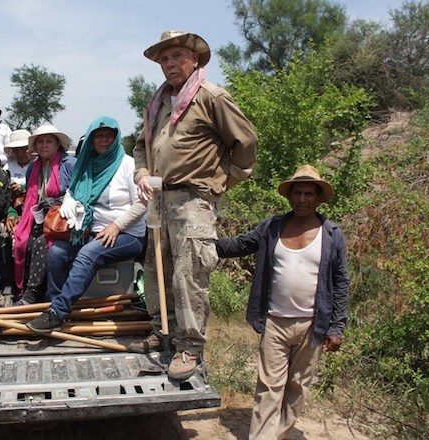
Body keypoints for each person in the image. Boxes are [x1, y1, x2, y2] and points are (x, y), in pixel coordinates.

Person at [131, 31, 258, 380]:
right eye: (164, 60)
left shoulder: (210, 96)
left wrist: (222, 181)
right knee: (158, 269)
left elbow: (246, 142)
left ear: (194, 59)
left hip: (193, 199)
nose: (169, 64)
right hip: (159, 197)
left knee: (189, 274)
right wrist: (141, 172)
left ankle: (189, 347)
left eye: (176, 56)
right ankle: (164, 332)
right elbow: (141, 146)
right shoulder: (157, 103)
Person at [216, 165, 349, 439]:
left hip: (312, 325)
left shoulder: (332, 235)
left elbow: (340, 283)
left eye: (308, 193)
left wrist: (336, 328)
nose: (302, 198)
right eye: (297, 193)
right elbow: (241, 245)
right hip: (275, 321)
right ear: (289, 197)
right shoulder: (273, 227)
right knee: (268, 387)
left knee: (297, 387)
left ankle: (282, 435)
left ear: (318, 198)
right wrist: (206, 242)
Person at [25, 116, 147, 332]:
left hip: (128, 234)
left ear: (116, 137)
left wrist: (116, 226)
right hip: (94, 231)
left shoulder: (128, 164)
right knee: (56, 253)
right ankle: (54, 305)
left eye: (109, 135)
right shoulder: (87, 165)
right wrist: (71, 204)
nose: (104, 140)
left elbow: (142, 204)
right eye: (99, 135)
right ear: (91, 139)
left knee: (88, 254)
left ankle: (57, 313)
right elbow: (73, 193)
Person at [12, 125, 76, 305]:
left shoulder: (69, 164)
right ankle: (21, 291)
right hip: (41, 219)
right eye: (40, 141)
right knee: (22, 241)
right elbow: (30, 197)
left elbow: (80, 194)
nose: (44, 145)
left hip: (63, 222)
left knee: (40, 243)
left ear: (58, 144)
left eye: (49, 141)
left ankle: (31, 294)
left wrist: (57, 201)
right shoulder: (33, 168)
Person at [0, 129, 35, 304]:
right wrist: (10, 214)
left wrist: (23, 191)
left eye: (24, 148)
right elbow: (4, 198)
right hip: (13, 212)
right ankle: (7, 281)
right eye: (16, 149)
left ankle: (30, 284)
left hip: (33, 214)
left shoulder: (39, 165)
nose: (20, 152)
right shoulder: (7, 170)